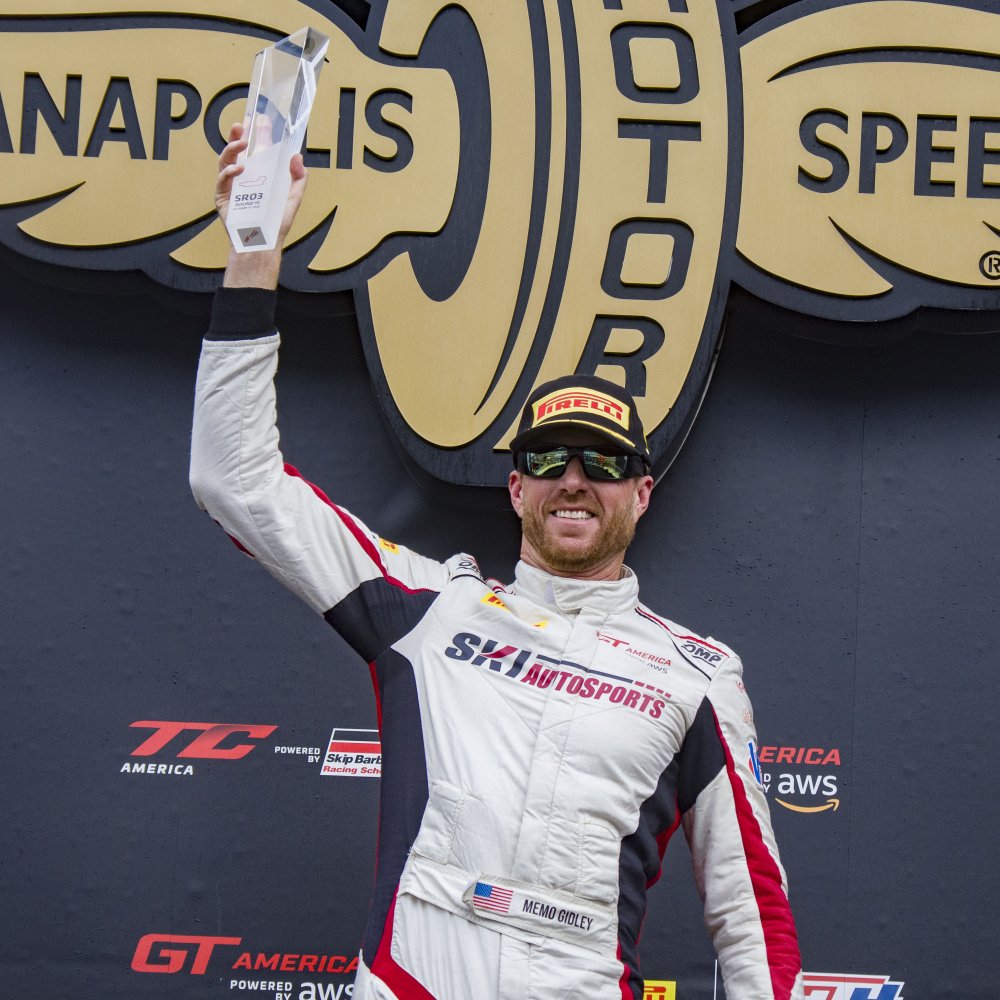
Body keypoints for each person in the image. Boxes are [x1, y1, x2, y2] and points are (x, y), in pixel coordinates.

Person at [190, 124, 803, 1000]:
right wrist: (254, 251)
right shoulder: (429, 607)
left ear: (642, 493)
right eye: (549, 460)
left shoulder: (699, 675)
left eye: (604, 464)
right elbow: (235, 480)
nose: (575, 481)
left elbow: (752, 915)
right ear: (517, 488)